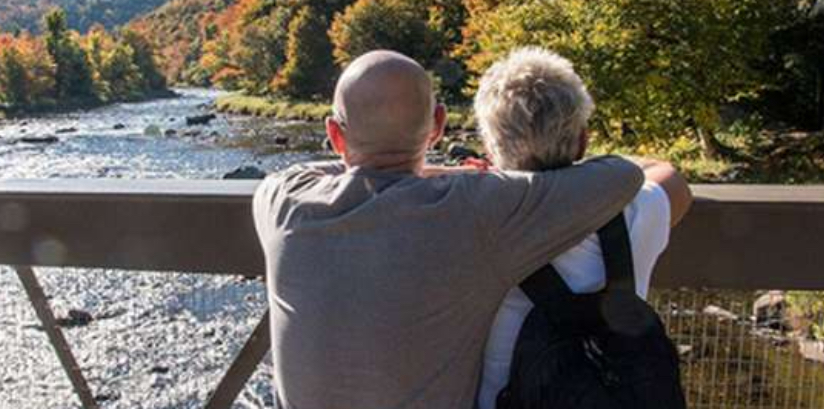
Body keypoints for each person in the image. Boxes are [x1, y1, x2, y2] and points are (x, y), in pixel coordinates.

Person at [252, 50, 645, 408]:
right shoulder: (473, 210)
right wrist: (456, 174)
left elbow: (327, 171)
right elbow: (621, 176)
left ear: (335, 135)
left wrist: (390, 168)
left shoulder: (282, 202)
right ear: (438, 124)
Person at [471, 47, 693, 409]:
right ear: (584, 140)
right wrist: (593, 170)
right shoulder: (631, 209)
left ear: (491, 147)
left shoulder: (471, 217)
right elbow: (671, 178)